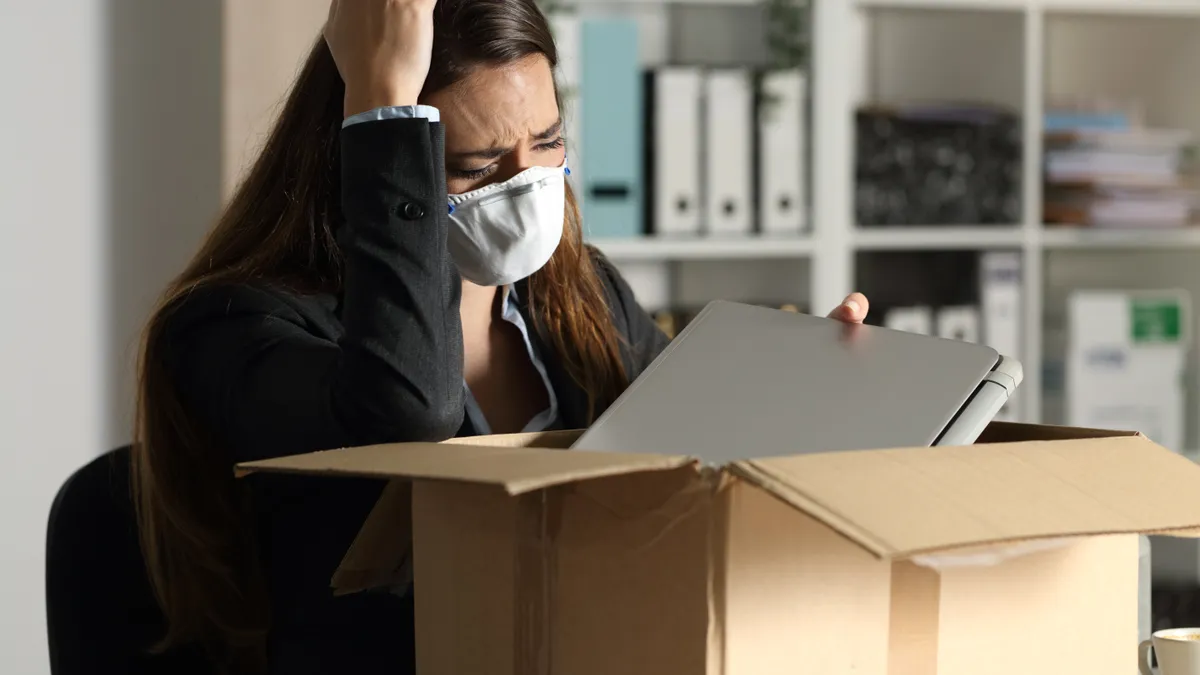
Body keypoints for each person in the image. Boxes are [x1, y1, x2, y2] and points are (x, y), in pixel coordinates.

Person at [130, 0, 871, 672]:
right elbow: (407, 412)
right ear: (370, 161)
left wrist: (805, 394)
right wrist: (384, 102)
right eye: (475, 166)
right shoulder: (230, 326)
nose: (526, 185)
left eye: (547, 142)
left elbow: (693, 458)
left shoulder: (583, 296)